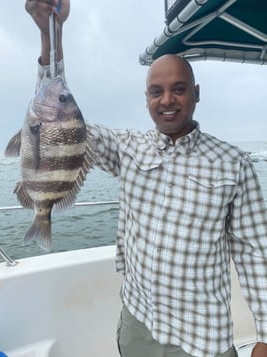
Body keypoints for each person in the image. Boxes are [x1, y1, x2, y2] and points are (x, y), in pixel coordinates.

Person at [25, 1, 267, 356]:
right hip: (137, 322)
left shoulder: (234, 164)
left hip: (201, 337)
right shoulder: (127, 147)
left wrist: (264, 334)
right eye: (157, 91)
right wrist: (50, 38)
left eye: (179, 89)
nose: (167, 100)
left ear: (196, 93)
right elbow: (58, 124)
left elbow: (254, 254)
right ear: (146, 98)